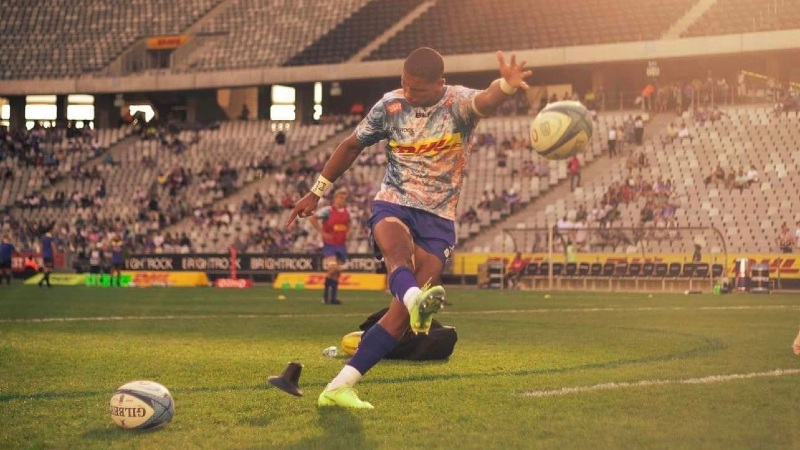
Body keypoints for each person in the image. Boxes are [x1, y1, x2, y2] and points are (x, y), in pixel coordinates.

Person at [286, 47, 531, 409]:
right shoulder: (390, 106)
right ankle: (417, 299)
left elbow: (487, 99)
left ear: (440, 85)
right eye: (405, 84)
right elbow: (351, 146)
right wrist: (316, 191)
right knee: (398, 257)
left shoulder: (457, 104)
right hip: (394, 202)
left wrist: (507, 87)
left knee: (399, 318)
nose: (409, 94)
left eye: (418, 89)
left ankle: (339, 386)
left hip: (439, 219)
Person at [308, 187, 351, 305]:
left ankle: (333, 298)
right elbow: (313, 218)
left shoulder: (346, 211)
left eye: (344, 198)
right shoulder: (328, 210)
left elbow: (349, 223)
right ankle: (325, 297)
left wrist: (348, 233)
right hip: (330, 245)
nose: (343, 200)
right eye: (341, 197)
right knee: (332, 268)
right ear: (335, 198)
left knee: (338, 272)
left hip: (341, 244)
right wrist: (321, 232)